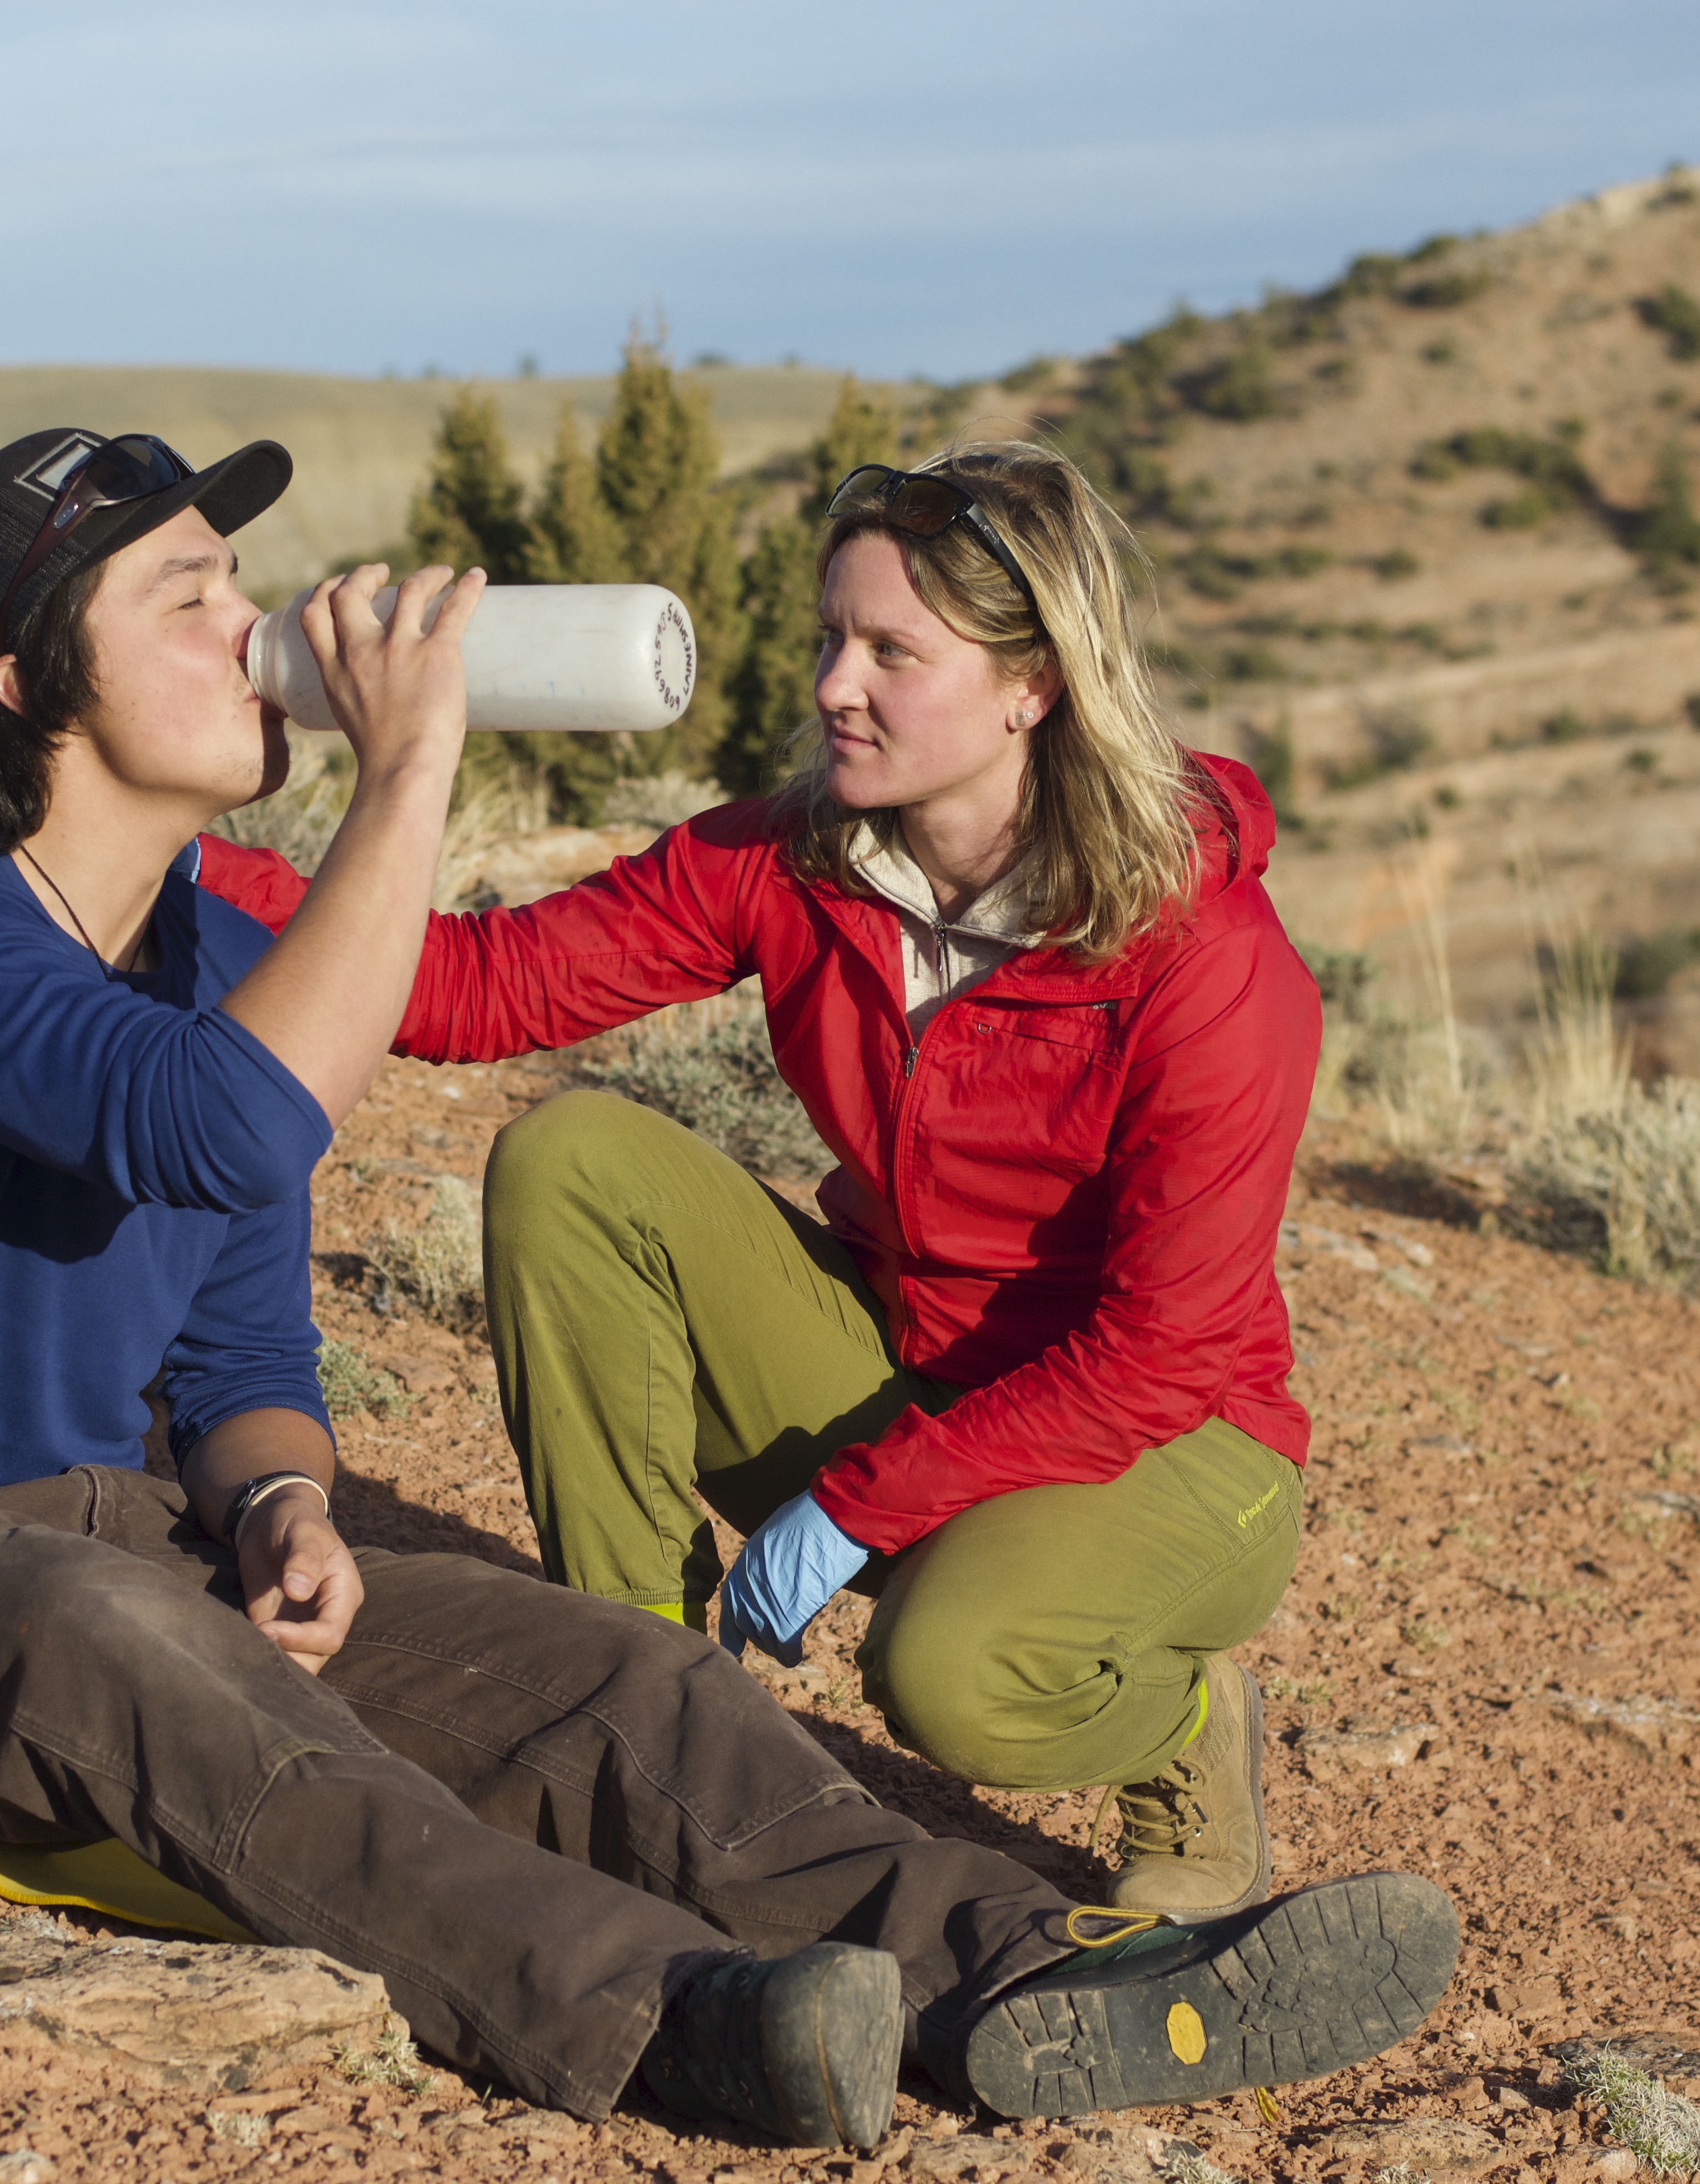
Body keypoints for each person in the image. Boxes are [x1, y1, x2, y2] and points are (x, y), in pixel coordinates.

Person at [0, 427, 1453, 2149]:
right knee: (128, 1647)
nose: (252, 626)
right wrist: (409, 767)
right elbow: (215, 1124)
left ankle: (1031, 1971)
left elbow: (243, 1332)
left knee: (601, 1672)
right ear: (27, 682)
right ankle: (674, 2010)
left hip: (115, 1530)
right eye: (184, 600)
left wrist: (275, 1499)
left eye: (233, 578)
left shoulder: (210, 953)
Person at [206, 440, 1320, 1926]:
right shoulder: (798, 859)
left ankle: (1183, 1738)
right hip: (910, 1366)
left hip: (1167, 1441)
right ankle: (649, 1723)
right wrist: (161, 862)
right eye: (827, 638)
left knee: (945, 1668)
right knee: (576, 1155)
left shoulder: (1206, 958)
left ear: (1032, 685)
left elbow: (1161, 1348)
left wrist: (856, 1503)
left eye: (889, 652)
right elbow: (474, 989)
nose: (831, 686)